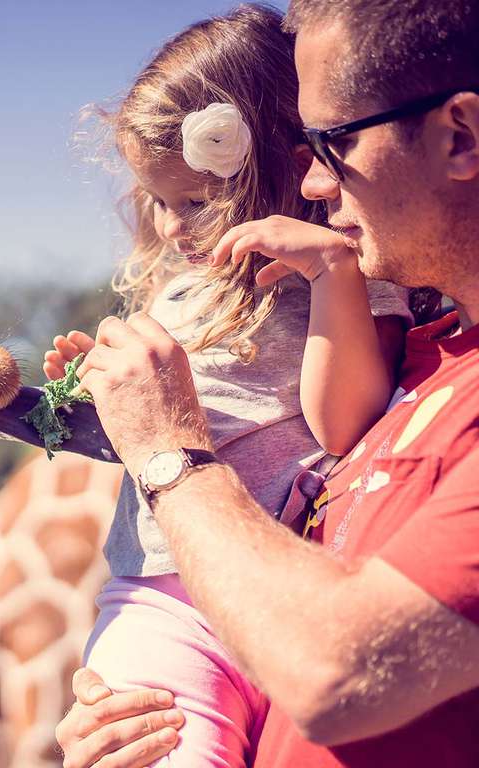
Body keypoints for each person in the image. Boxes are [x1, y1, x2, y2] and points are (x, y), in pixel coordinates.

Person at [55, 1, 479, 766]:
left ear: (462, 135)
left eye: (335, 142)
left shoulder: (354, 294)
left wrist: (167, 447)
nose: (316, 180)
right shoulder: (431, 349)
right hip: (168, 604)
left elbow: (332, 674)